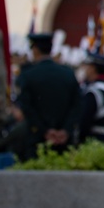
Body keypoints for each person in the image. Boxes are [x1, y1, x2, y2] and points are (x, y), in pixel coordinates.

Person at [12, 32, 83, 160]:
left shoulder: (28, 75)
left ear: (35, 49)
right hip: (64, 141)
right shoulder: (68, 74)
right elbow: (77, 106)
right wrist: (65, 130)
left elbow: (27, 107)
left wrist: (44, 131)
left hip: (37, 140)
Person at [77, 51, 104, 144]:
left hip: (94, 142)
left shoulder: (95, 92)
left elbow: (84, 122)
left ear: (92, 68)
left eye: (87, 66)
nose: (85, 70)